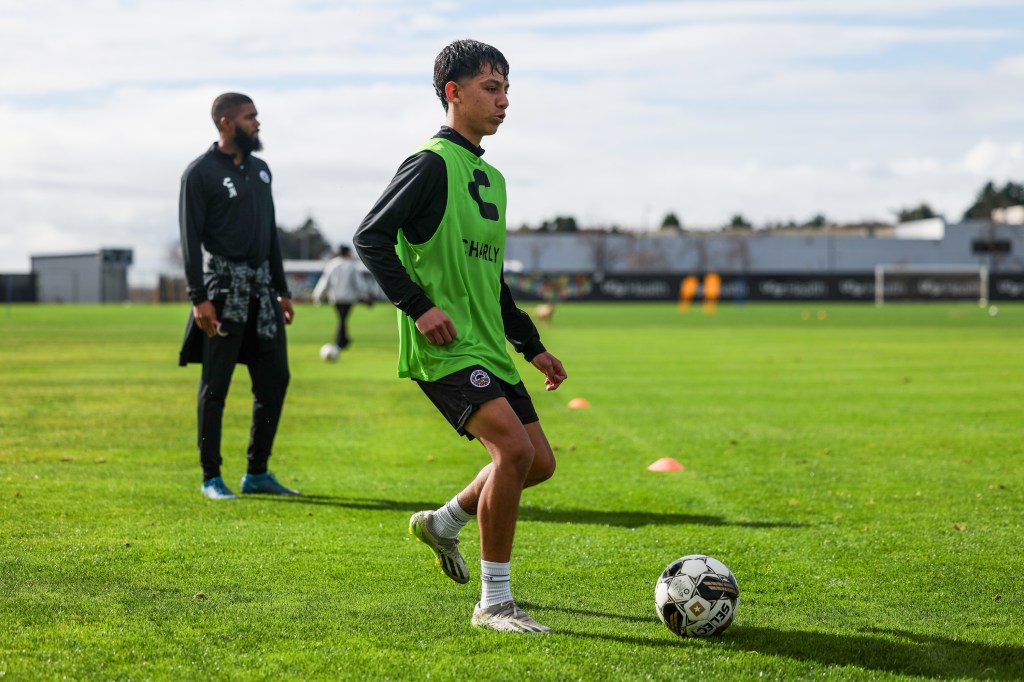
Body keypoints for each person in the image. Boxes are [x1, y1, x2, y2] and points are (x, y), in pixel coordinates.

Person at [354, 39, 567, 633]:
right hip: (444, 347)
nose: (503, 103)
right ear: (454, 92)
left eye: (506, 91)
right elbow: (370, 238)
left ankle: (443, 522)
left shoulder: (491, 179)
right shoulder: (429, 164)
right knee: (514, 452)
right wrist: (419, 308)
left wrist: (533, 346)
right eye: (490, 89)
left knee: (539, 463)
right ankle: (494, 603)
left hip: (487, 344)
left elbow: (490, 280)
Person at [178, 92, 300, 500]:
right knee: (216, 387)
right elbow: (190, 241)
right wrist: (199, 297)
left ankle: (257, 472)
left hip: (263, 293)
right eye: (250, 117)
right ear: (226, 122)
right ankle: (211, 477)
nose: (258, 122)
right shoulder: (199, 173)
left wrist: (282, 290)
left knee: (275, 380)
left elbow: (270, 235)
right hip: (223, 292)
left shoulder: (261, 170)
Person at [311, 245, 371, 354]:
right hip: (348, 297)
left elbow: (324, 281)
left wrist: (317, 295)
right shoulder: (351, 265)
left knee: (342, 318)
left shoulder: (332, 264)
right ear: (347, 253)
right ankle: (340, 341)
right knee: (343, 319)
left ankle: (343, 340)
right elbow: (358, 282)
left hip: (335, 297)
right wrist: (364, 294)